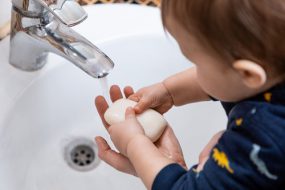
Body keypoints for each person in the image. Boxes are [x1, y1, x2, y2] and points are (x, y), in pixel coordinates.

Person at [95, 0, 285, 189]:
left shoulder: (263, 141)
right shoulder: (274, 65)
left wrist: (134, 144)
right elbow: (230, 79)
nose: (196, 70)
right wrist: (170, 91)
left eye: (199, 65)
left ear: (248, 74)